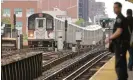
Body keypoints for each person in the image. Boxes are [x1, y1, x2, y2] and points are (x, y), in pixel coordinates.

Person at [105, 2, 130, 80]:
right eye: (113, 7)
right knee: (122, 62)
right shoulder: (122, 18)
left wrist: (109, 38)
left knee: (119, 63)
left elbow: (119, 31)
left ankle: (121, 78)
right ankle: (123, 77)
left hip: (120, 45)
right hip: (123, 44)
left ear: (120, 8)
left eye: (115, 7)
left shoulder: (120, 18)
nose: (114, 9)